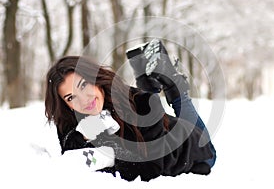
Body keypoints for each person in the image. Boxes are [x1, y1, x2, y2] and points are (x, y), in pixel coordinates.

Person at [45, 39, 216, 181]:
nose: (84, 100)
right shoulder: (70, 122)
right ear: (66, 104)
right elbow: (73, 159)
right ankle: (146, 82)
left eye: (83, 85)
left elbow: (151, 169)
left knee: (196, 133)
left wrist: (110, 158)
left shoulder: (144, 104)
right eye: (70, 97)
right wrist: (84, 135)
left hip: (191, 152)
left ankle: (174, 85)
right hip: (155, 126)